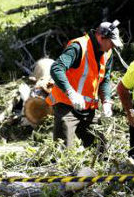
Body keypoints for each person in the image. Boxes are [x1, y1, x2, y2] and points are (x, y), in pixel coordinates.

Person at [46, 20, 123, 148]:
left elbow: (105, 79)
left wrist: (106, 101)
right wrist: (71, 93)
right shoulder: (78, 47)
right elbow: (56, 68)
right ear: (101, 37)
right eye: (111, 43)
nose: (113, 47)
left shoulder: (107, 52)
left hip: (88, 110)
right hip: (67, 106)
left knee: (100, 148)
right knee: (63, 151)